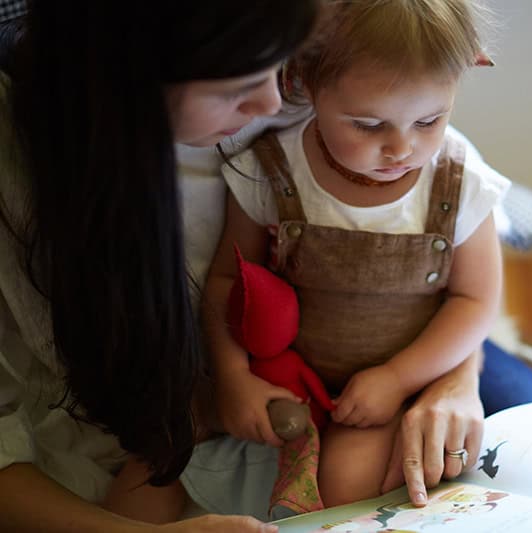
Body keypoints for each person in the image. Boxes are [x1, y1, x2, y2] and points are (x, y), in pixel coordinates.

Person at [0, 1, 491, 530]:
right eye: (235, 87)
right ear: (130, 79)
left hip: (416, 358)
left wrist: (454, 378)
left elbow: (463, 280)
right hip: (229, 391)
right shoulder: (34, 176)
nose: (275, 101)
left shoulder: (328, 71)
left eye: (282, 67)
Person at [203, 0, 505, 510]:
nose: (401, 148)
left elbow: (477, 301)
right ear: (303, 83)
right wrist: (233, 378)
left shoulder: (460, 183)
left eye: (430, 120)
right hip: (291, 378)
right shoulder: (272, 170)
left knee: (347, 485)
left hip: (403, 382)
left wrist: (397, 378)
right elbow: (228, 285)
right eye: (367, 125)